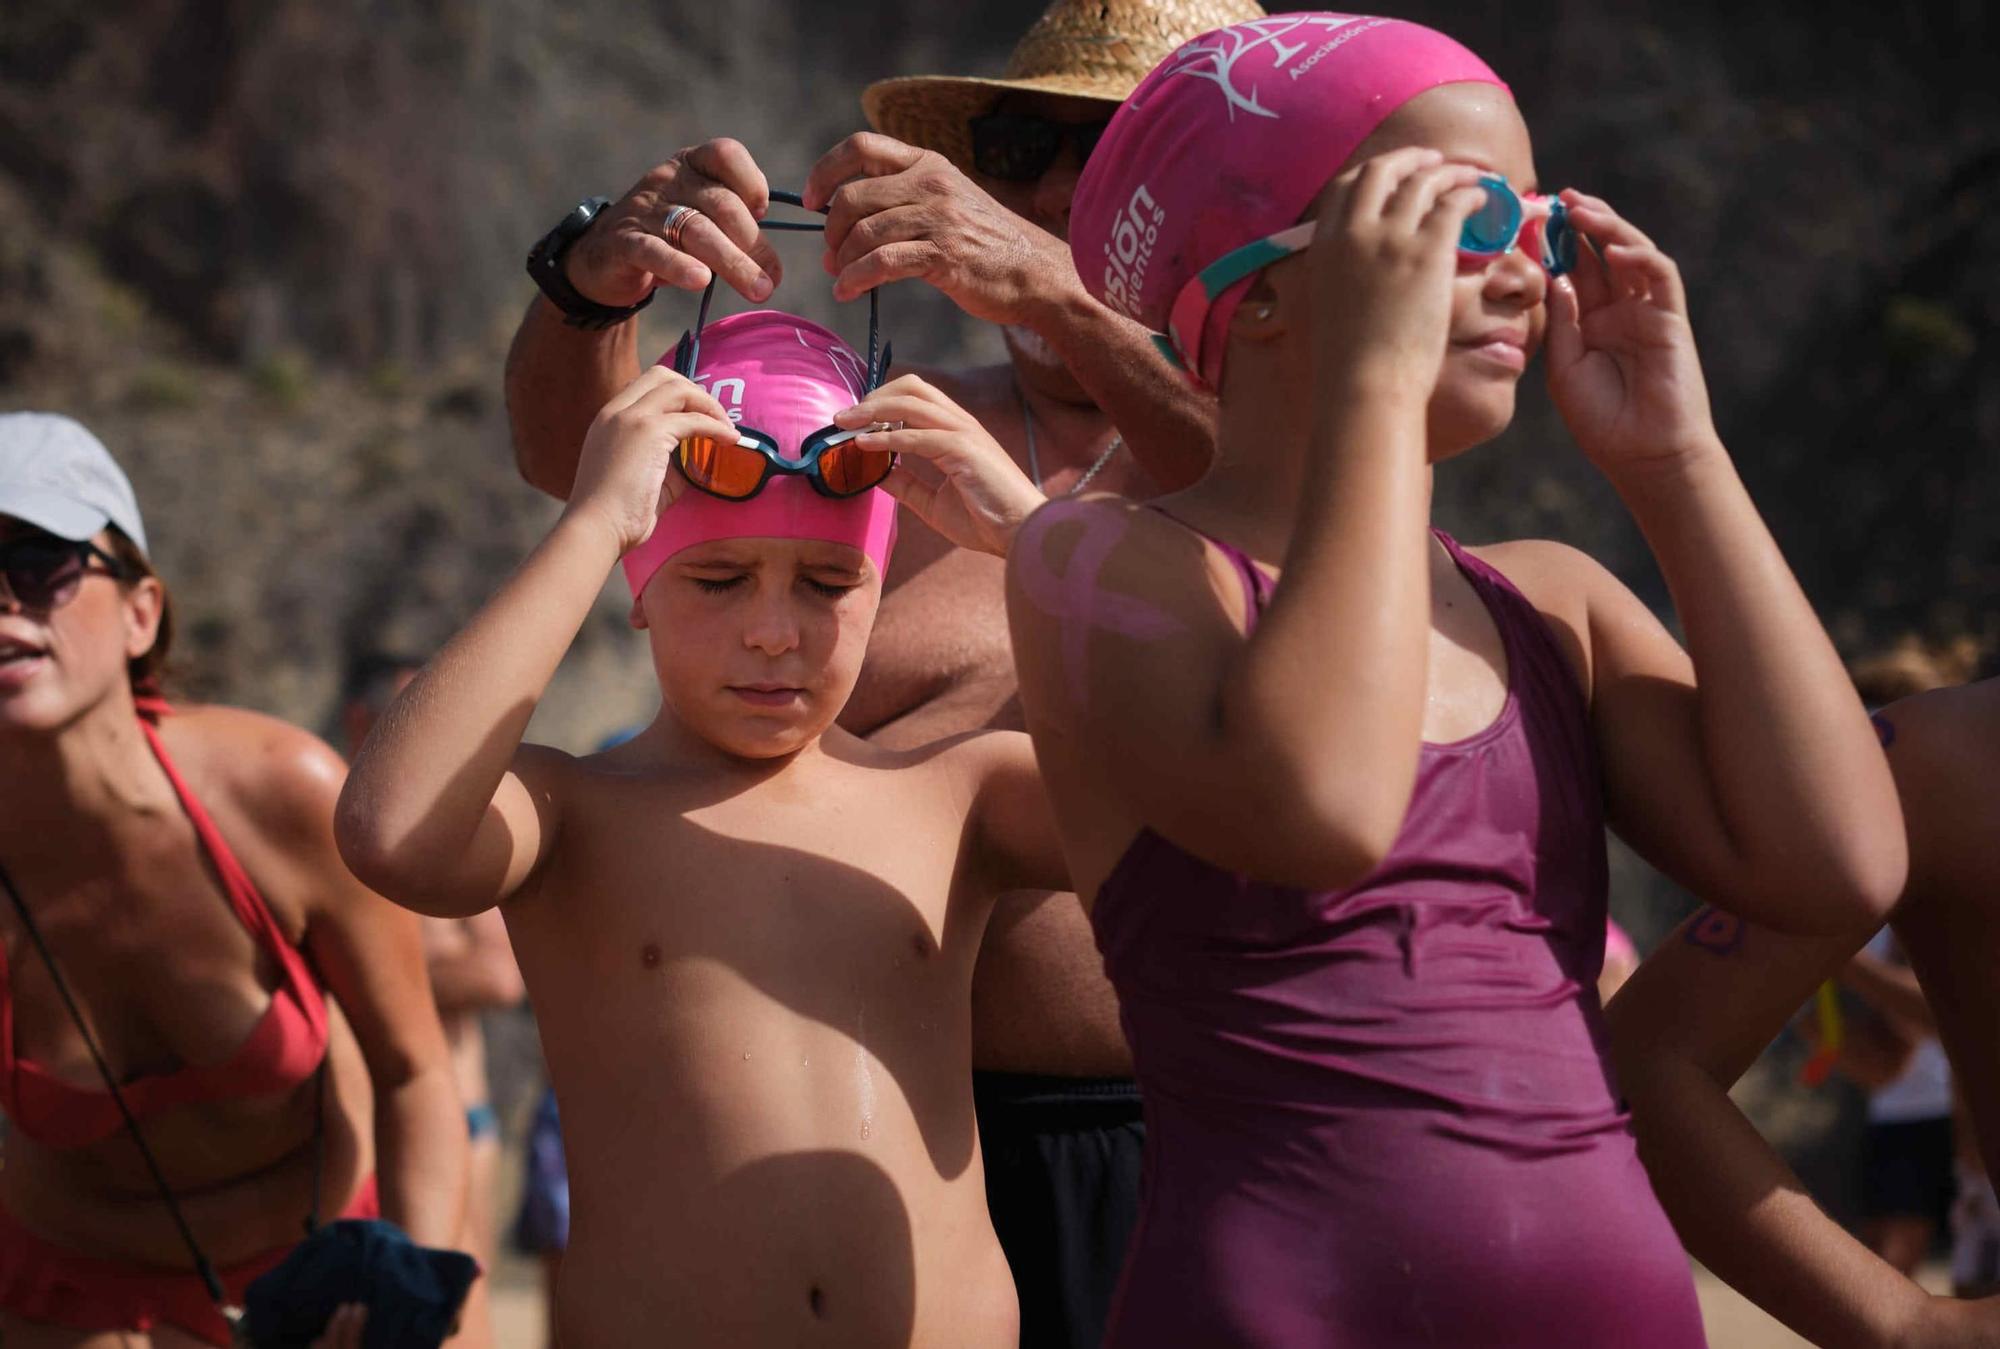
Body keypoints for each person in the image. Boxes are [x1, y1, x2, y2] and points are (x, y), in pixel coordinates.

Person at [1001, 13, 1908, 1345]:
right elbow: (1328, 807)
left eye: (1538, 228)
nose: (1525, 274)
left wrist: (1677, 466)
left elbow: (1839, 864)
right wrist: (1374, 385)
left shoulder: (1553, 601)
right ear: (1254, 291)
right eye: (1454, 221)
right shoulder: (1104, 561)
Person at [500, 4, 1260, 1342]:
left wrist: (1062, 294)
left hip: (1226, 1127)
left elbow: (1254, 495)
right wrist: (586, 289)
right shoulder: (880, 441)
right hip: (915, 1143)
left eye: (1110, 157)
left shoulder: (1306, 462)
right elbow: (594, 480)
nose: (1043, 196)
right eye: (1019, 147)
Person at [338, 309, 1073, 1346]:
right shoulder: (571, 816)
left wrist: (1035, 540)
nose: (774, 629)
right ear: (637, 585)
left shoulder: (960, 795)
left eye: (827, 582)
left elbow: (1226, 812)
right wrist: (592, 521)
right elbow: (389, 827)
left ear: (880, 584)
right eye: (716, 579)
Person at [0, 414, 471, 1346]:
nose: (1, 606)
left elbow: (415, 1072)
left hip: (334, 1273)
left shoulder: (280, 798)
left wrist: (406, 1298)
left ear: (141, 613)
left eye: (39, 564)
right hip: (72, 1294)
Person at [1608, 675, 2000, 1343]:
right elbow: (1646, 1058)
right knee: (1895, 1237)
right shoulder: (1941, 755)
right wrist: (1909, 1324)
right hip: (1933, 1160)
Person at [342, 652, 525, 1339]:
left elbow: (500, 976)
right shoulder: (316, 828)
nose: (427, 731)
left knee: (458, 1324)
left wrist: (364, 966)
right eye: (405, 711)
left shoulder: (450, 838)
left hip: (460, 1117)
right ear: (358, 722)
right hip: (347, 1133)